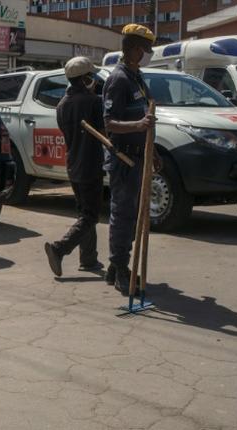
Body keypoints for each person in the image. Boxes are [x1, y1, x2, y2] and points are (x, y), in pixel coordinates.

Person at [102, 24, 161, 294]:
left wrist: (155, 152)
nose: (147, 54)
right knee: (123, 215)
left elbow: (147, 120)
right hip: (124, 158)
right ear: (134, 50)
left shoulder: (137, 77)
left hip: (140, 157)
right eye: (144, 50)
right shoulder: (119, 79)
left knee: (133, 216)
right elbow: (110, 124)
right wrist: (138, 126)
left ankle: (115, 267)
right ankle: (120, 270)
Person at [44, 57, 105, 277]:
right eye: (92, 76)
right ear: (85, 78)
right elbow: (104, 131)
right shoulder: (92, 102)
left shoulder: (62, 104)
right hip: (90, 164)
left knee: (84, 213)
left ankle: (88, 259)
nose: (94, 80)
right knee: (90, 216)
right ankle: (60, 249)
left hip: (73, 164)